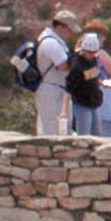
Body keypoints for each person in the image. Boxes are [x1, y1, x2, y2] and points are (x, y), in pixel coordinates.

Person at [66, 28, 111, 136]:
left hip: (94, 102)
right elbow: (69, 88)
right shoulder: (77, 65)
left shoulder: (92, 59)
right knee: (85, 135)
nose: (92, 55)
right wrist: (62, 111)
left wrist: (106, 83)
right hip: (83, 103)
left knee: (97, 134)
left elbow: (92, 78)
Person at [33, 7, 77, 136]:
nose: (71, 34)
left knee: (61, 126)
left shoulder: (55, 41)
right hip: (51, 88)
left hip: (56, 87)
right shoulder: (51, 43)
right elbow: (63, 66)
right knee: (52, 126)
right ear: (62, 26)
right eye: (70, 30)